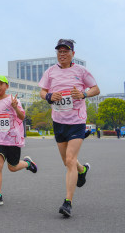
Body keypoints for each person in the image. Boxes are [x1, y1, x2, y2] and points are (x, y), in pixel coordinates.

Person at [39, 39, 100, 217]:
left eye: (66, 51)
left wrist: (83, 93)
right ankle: (83, 170)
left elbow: (96, 89)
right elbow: (42, 91)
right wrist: (49, 96)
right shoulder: (50, 72)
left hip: (76, 120)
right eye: (59, 51)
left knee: (70, 159)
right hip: (58, 120)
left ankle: (68, 202)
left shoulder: (81, 71)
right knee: (67, 161)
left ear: (73, 53)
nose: (62, 54)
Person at [0, 75, 37, 206]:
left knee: (13, 167)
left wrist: (15, 107)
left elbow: (22, 117)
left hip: (12, 139)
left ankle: (28, 163)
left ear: (7, 86)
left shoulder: (12, 99)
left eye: (1, 83)